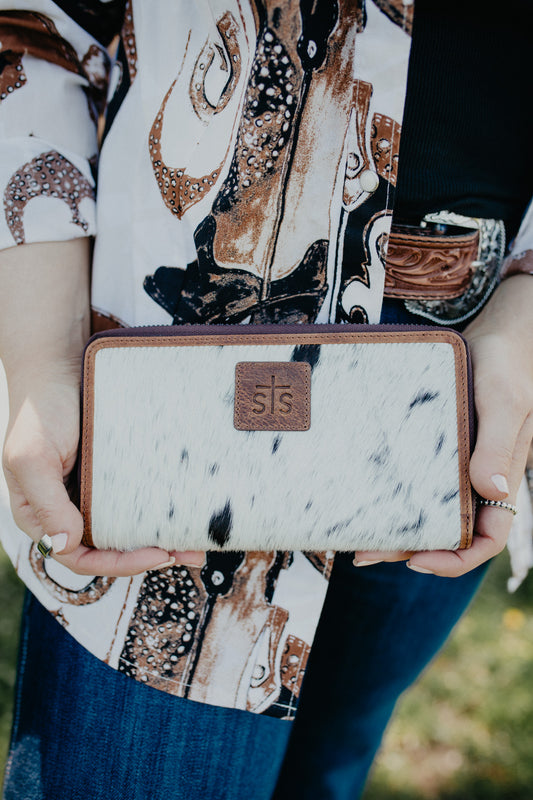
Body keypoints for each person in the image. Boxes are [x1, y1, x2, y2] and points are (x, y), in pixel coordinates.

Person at [1, 1, 533, 798]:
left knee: (329, 763)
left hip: (452, 382)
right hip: (165, 383)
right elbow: (26, 28)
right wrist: (43, 360)